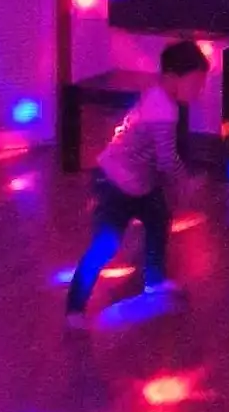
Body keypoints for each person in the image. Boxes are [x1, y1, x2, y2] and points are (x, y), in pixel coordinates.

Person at [65, 40, 209, 328]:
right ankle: (75, 308)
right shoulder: (164, 111)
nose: (199, 90)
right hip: (115, 183)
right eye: (195, 83)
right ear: (172, 78)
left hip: (138, 182)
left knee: (158, 218)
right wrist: (185, 182)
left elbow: (157, 156)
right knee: (106, 244)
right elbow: (166, 159)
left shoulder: (159, 96)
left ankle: (154, 280)